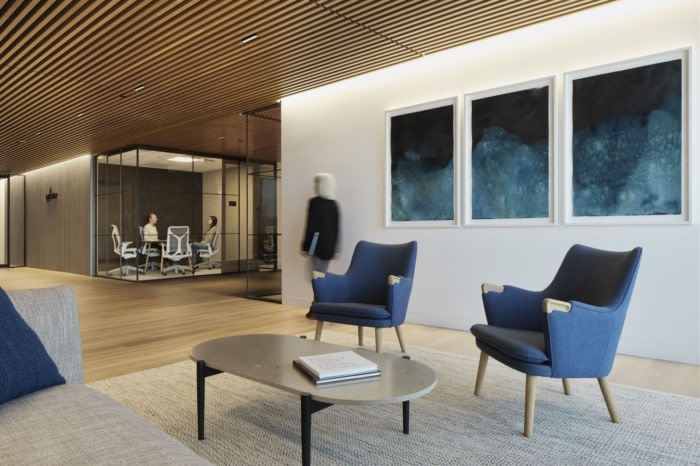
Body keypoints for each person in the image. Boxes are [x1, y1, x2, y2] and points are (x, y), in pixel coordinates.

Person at [301, 173, 340, 274]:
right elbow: (336, 229)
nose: (315, 186)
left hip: (315, 244)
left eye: (316, 184)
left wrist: (305, 246)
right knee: (321, 274)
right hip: (329, 246)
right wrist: (337, 249)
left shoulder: (314, 202)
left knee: (316, 275)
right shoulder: (334, 204)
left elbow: (310, 225)